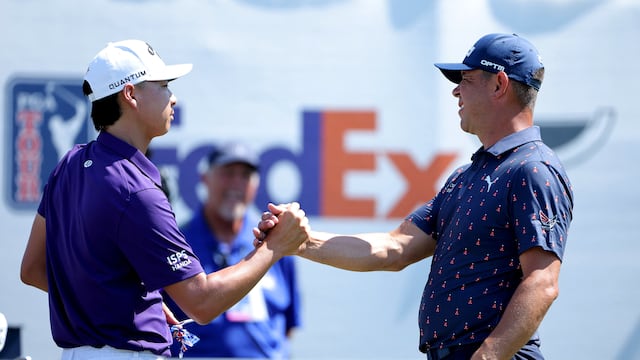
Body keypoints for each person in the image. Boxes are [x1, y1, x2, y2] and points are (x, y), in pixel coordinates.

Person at [257, 33, 574, 360]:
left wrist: (489, 356)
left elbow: (542, 283)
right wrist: (301, 242)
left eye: (465, 79)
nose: (456, 90)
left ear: (499, 85)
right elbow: (394, 249)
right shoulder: (465, 177)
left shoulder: (532, 168)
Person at [19, 39, 309, 360]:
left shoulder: (69, 165)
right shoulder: (137, 190)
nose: (173, 97)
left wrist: (134, 306)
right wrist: (274, 247)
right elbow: (202, 303)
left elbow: (32, 269)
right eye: (163, 85)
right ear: (130, 95)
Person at [165, 142, 301, 358]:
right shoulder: (177, 243)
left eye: (245, 175)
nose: (236, 184)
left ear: (256, 186)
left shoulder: (275, 244)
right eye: (227, 173)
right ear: (205, 179)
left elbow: (288, 325)